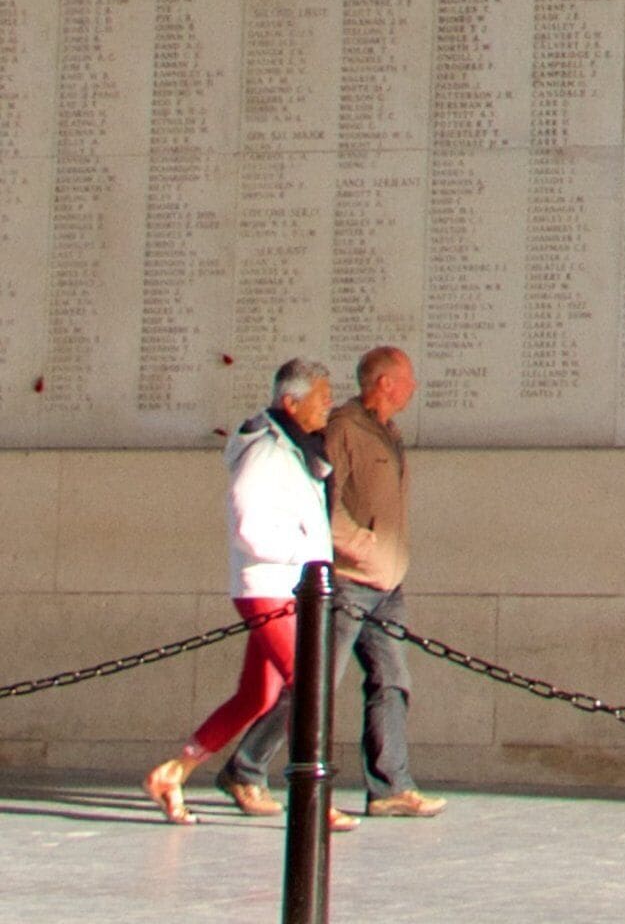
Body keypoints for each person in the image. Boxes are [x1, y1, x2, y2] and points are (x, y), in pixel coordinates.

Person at [215, 346, 446, 820]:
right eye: (407, 379)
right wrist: (356, 543)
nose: (414, 387)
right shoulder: (344, 428)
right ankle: (248, 766)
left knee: (392, 681)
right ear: (384, 382)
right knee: (313, 683)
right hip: (346, 581)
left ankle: (390, 787)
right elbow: (323, 498)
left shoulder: (388, 432)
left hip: (386, 583)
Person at [145, 359, 356, 829]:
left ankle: (174, 771)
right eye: (322, 396)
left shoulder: (295, 450)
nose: (329, 404)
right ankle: (314, 796)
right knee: (310, 686)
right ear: (291, 402)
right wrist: (303, 557)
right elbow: (248, 524)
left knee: (258, 695)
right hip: (269, 586)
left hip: (285, 586)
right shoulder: (265, 453)